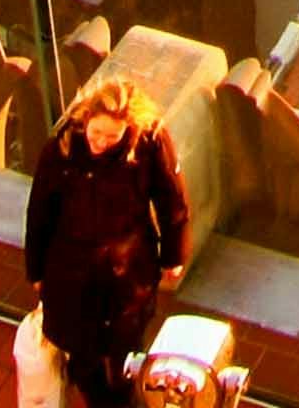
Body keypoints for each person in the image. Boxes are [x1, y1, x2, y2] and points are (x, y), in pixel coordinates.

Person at [19, 77, 187, 408]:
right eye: (96, 133)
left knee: (126, 349)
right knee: (85, 359)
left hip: (128, 270)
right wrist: (36, 270)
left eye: (112, 137)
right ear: (86, 120)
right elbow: (40, 212)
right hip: (73, 271)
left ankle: (123, 398)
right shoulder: (63, 147)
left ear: (130, 127)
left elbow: (172, 200)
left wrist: (173, 255)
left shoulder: (149, 141)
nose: (101, 143)